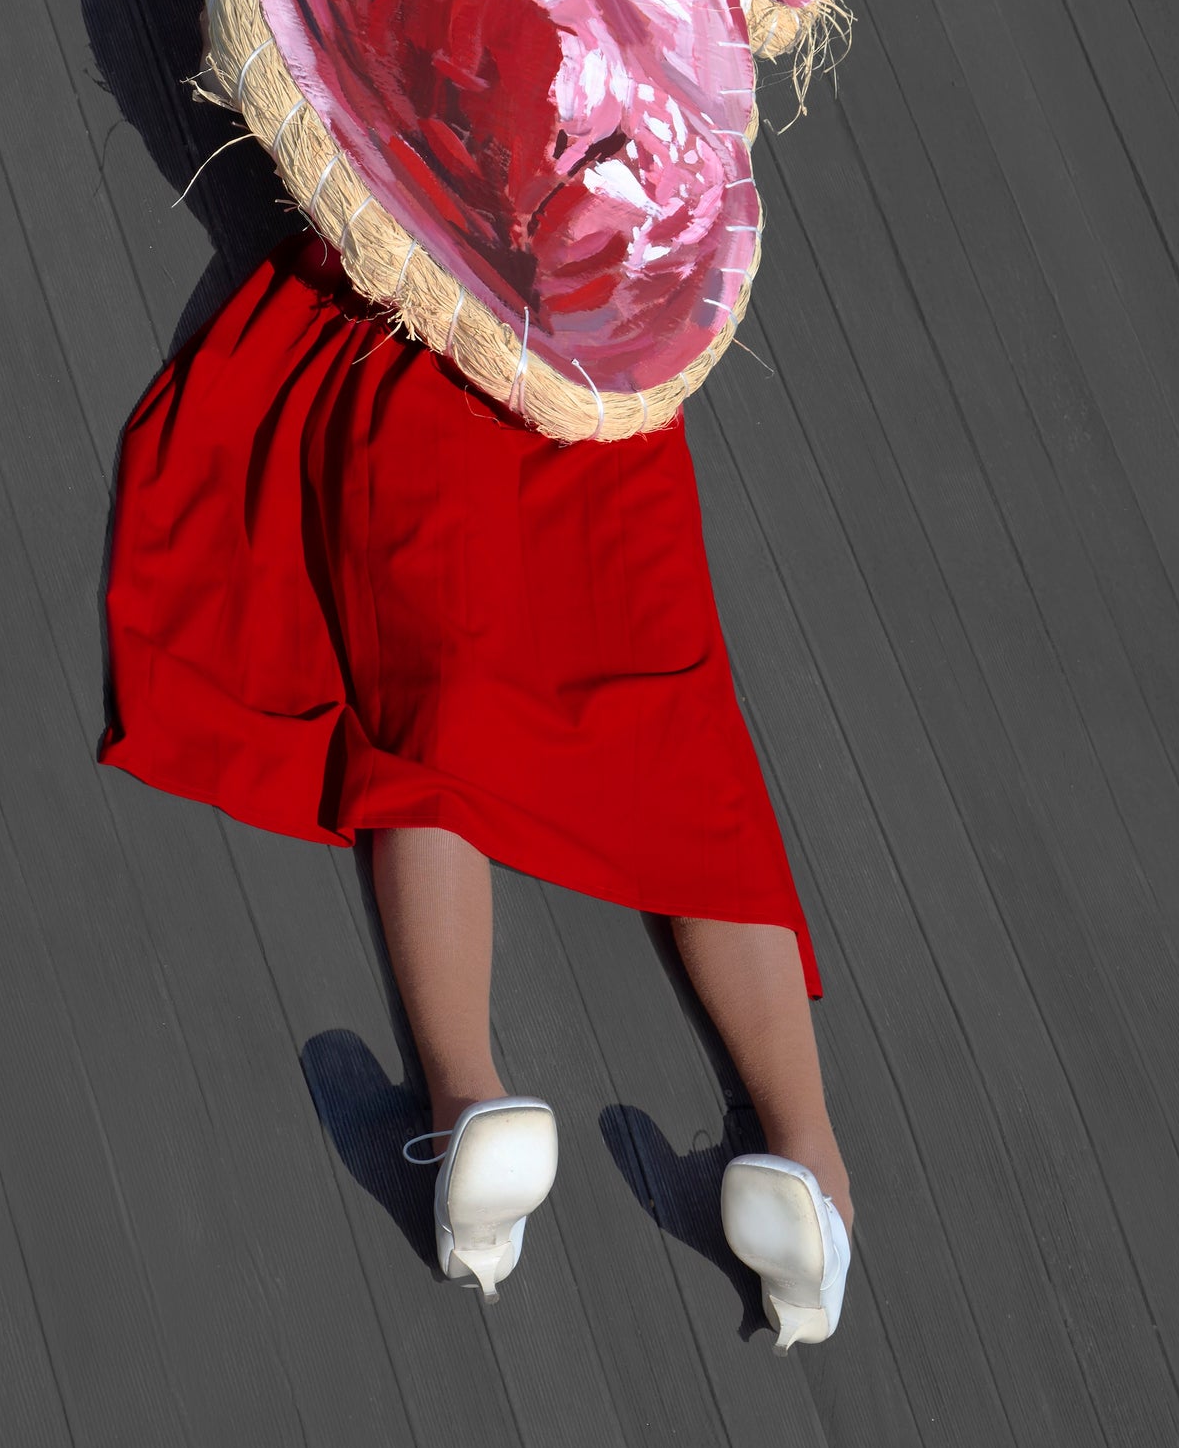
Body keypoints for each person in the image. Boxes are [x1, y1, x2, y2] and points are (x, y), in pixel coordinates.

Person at [100, 225, 855, 1350]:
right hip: (597, 338)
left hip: (416, 299)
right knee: (679, 734)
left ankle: (468, 1097)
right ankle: (806, 1159)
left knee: (435, 701)